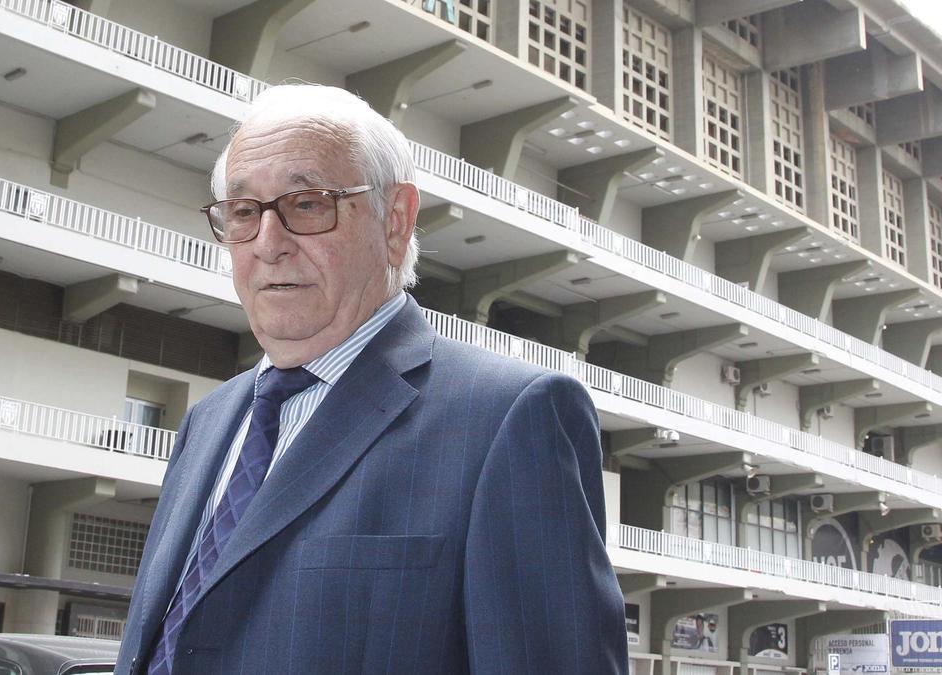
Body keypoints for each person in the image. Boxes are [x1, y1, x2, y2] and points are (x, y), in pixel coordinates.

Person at [115, 84, 627, 674]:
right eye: (244, 212)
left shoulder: (508, 418)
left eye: (307, 205)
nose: (269, 244)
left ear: (397, 221)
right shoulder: (207, 422)